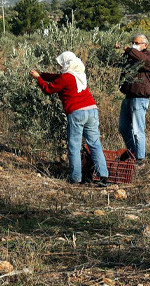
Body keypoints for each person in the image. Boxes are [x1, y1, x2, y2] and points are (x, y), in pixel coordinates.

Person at [30, 51, 110, 187]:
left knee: (74, 145)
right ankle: (103, 176)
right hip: (92, 110)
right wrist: (42, 74)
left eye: (61, 65)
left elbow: (48, 89)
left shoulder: (66, 78)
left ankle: (76, 178)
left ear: (67, 64)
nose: (60, 68)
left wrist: (38, 79)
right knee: (95, 144)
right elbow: (57, 77)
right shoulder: (79, 74)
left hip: (77, 113)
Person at [117, 34, 150, 166]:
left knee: (137, 130)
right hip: (128, 97)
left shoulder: (149, 57)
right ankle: (132, 152)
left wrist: (128, 49)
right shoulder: (131, 56)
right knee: (123, 127)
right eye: (133, 42)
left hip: (140, 98)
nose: (134, 45)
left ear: (145, 45)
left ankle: (140, 159)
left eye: (137, 43)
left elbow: (141, 59)